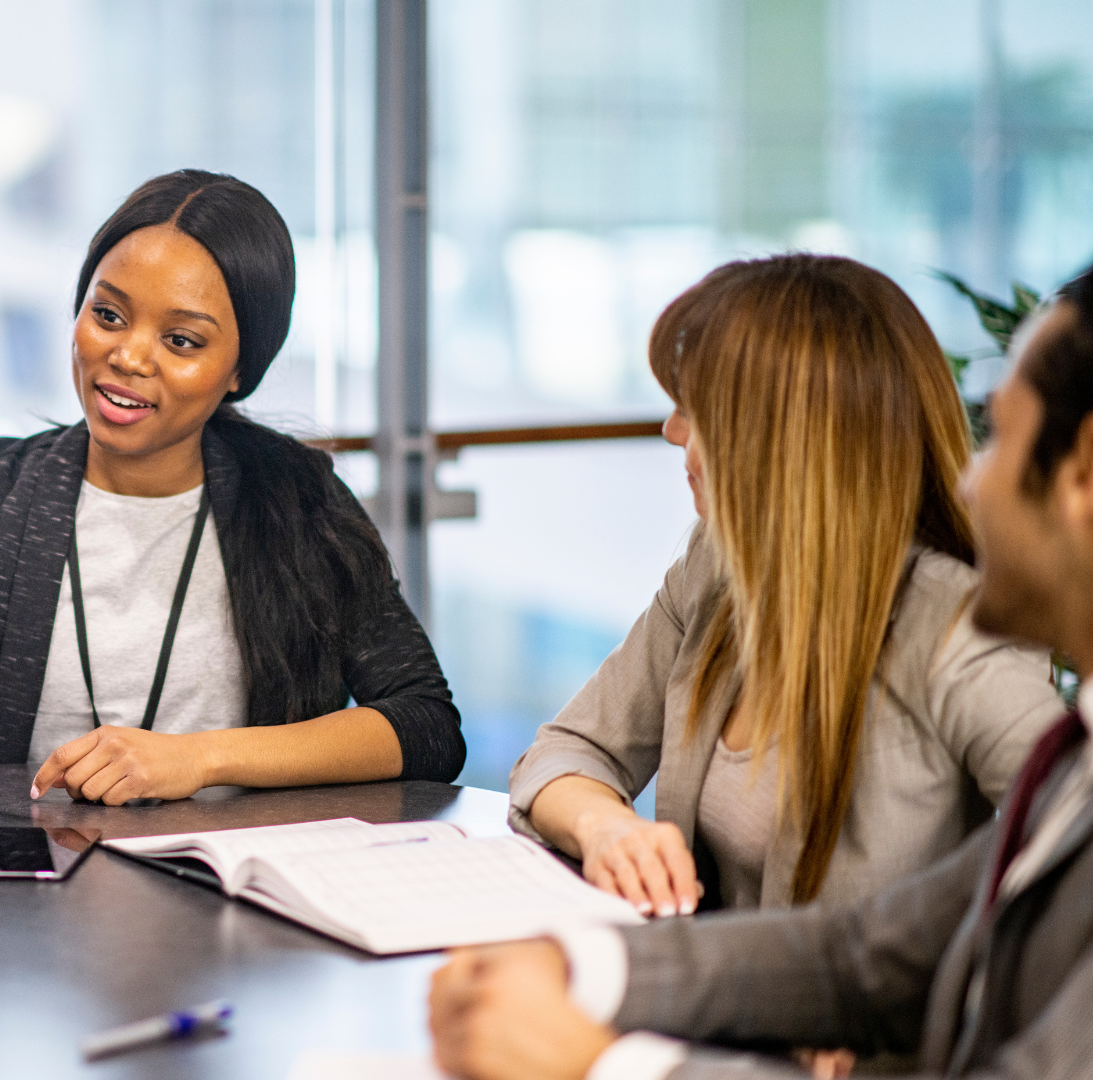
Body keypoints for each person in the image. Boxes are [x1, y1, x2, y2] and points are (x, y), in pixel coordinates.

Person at [427, 264, 1093, 1080]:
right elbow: (864, 960)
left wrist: (605, 1064)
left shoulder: (958, 638)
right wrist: (588, 967)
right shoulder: (718, 573)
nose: (965, 477)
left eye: (998, 437)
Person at [0, 170, 463, 804]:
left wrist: (198, 758)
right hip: (27, 894)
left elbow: (425, 724)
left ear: (239, 369)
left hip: (239, 886)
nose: (129, 357)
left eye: (180, 340)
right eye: (109, 315)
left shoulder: (296, 498)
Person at [510, 254, 1058, 918]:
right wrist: (608, 829)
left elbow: (1070, 850)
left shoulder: (959, 630)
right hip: (701, 1000)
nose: (671, 431)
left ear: (774, 441)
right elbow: (568, 750)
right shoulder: (717, 567)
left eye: (694, 409)